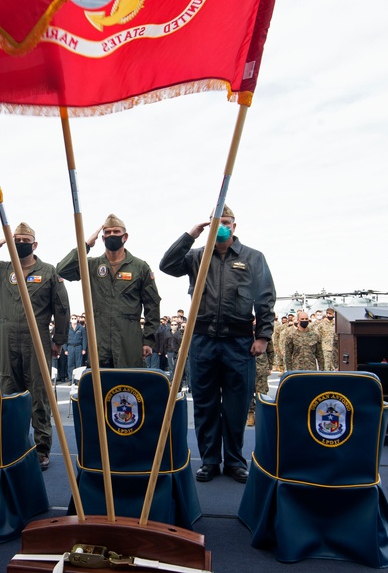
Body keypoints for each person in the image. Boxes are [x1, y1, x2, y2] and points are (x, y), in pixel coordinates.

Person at [160, 205, 275, 484]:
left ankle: (235, 460)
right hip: (202, 340)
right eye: (215, 223)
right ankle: (210, 460)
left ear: (234, 226)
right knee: (205, 403)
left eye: (225, 222)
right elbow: (167, 265)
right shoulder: (197, 257)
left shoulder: (253, 257)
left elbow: (265, 298)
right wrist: (191, 234)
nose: (221, 226)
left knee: (237, 405)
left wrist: (263, 336)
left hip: (239, 342)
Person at [0, 222, 70, 471]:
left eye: (24, 240)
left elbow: (62, 308)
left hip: (37, 338)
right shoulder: (1, 270)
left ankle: (42, 450)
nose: (20, 243)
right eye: (16, 240)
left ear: (34, 244)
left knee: (39, 395)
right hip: (8, 336)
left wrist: (58, 341)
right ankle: (11, 445)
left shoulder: (49, 272)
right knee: (9, 391)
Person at [57, 214, 161, 368]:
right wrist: (85, 245)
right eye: (108, 232)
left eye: (116, 232)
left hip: (128, 338)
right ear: (103, 238)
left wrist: (148, 340)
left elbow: (152, 305)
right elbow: (62, 270)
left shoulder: (140, 267)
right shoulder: (91, 265)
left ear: (125, 237)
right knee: (100, 386)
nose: (112, 235)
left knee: (129, 385)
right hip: (99, 338)